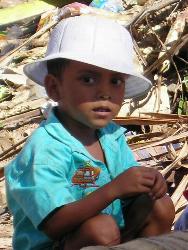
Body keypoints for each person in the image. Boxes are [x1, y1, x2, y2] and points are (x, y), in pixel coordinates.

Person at [5, 15, 175, 250]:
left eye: (115, 81)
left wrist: (148, 182)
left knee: (160, 205)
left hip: (110, 235)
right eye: (88, 79)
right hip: (56, 244)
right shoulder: (45, 148)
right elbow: (54, 224)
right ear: (55, 87)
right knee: (100, 229)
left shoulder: (111, 136)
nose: (104, 92)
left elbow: (129, 191)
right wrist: (113, 189)